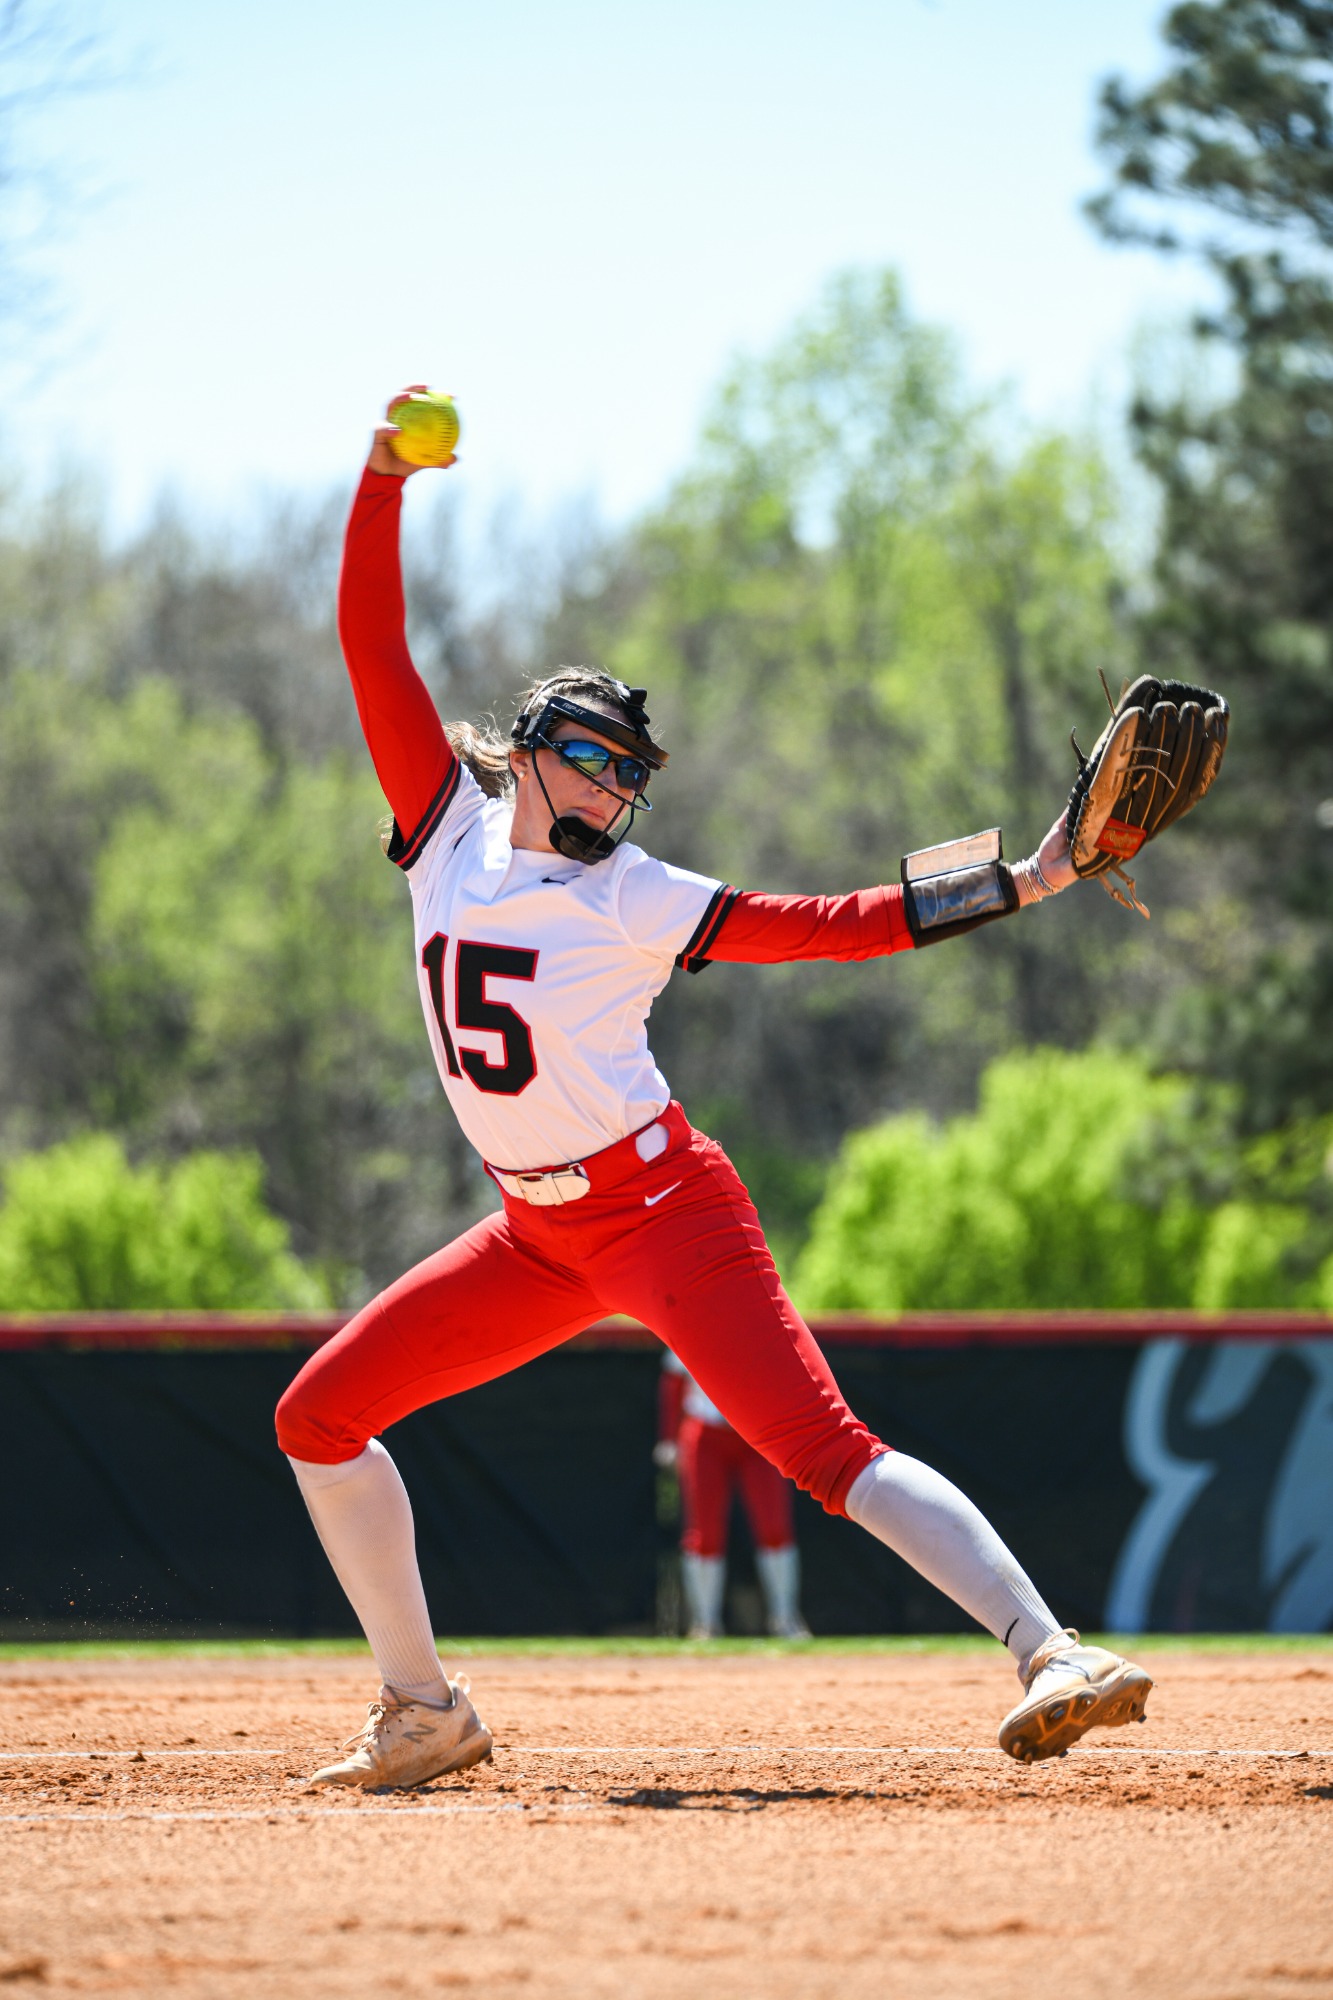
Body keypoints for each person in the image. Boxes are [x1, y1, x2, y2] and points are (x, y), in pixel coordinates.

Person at [275, 386, 1154, 1788]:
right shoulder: (444, 827)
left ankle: (1051, 1650)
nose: (619, 796)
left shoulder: (633, 892)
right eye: (598, 764)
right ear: (533, 748)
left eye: (633, 780)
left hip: (664, 1207)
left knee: (821, 1450)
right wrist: (381, 478)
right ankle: (425, 1711)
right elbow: (370, 643)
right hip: (533, 1234)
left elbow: (832, 921)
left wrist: (1031, 874)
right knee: (317, 1416)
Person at [656, 1351, 810, 1639]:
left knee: (774, 1527)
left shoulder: (764, 1315)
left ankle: (786, 1617)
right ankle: (705, 1623)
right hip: (706, 1434)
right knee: (704, 1534)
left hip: (759, 1433)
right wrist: (669, 1438)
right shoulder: (689, 1315)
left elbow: (789, 1375)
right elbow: (673, 1381)